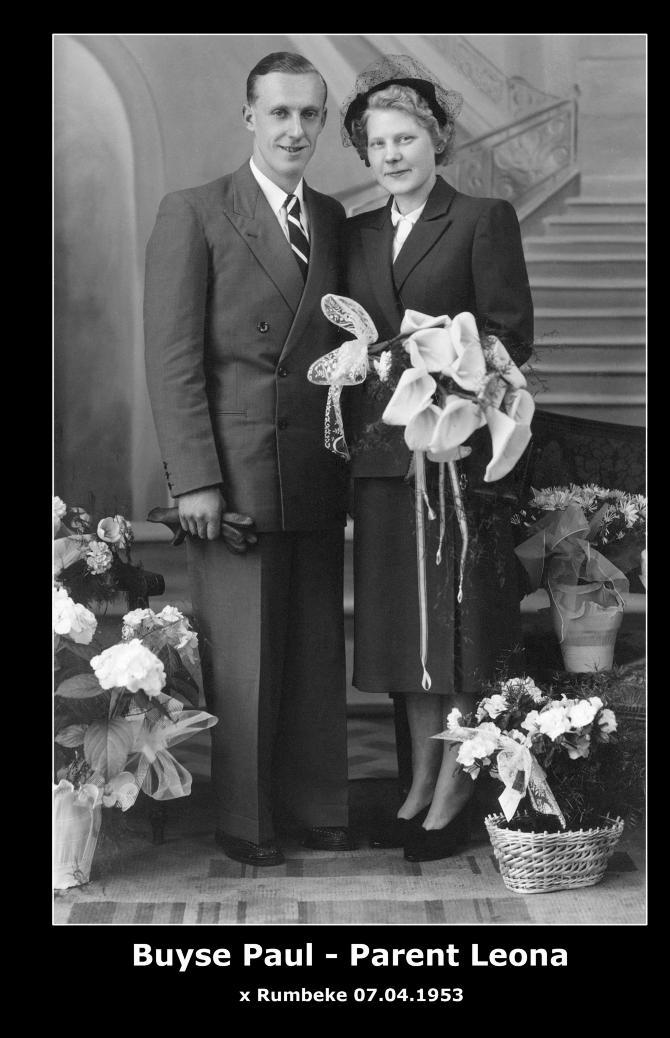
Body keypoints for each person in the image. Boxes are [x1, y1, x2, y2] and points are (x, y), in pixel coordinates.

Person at [144, 52, 354, 867]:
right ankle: (247, 823)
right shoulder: (194, 211)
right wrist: (193, 478)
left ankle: (316, 809)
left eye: (310, 114)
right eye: (279, 114)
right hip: (228, 476)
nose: (295, 129)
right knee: (243, 659)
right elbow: (172, 359)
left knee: (310, 653)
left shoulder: (334, 217)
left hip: (313, 468)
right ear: (249, 118)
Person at [340, 56, 534, 862]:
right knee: (396, 634)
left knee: (451, 627)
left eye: (406, 137)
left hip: (452, 457)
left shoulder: (482, 218)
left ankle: (455, 788)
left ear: (438, 138)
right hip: (387, 459)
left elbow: (508, 336)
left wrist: (449, 376)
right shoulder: (354, 235)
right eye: (377, 143)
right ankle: (419, 781)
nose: (391, 154)